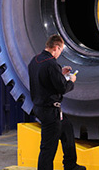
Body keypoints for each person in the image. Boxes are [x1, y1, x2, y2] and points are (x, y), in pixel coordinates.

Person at [28, 34, 85, 170]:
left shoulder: (35, 60)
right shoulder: (51, 63)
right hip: (50, 111)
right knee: (48, 147)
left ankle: (71, 165)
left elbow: (45, 79)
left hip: (40, 107)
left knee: (67, 130)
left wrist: (60, 72)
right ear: (56, 48)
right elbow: (62, 87)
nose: (60, 53)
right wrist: (71, 81)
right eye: (61, 50)